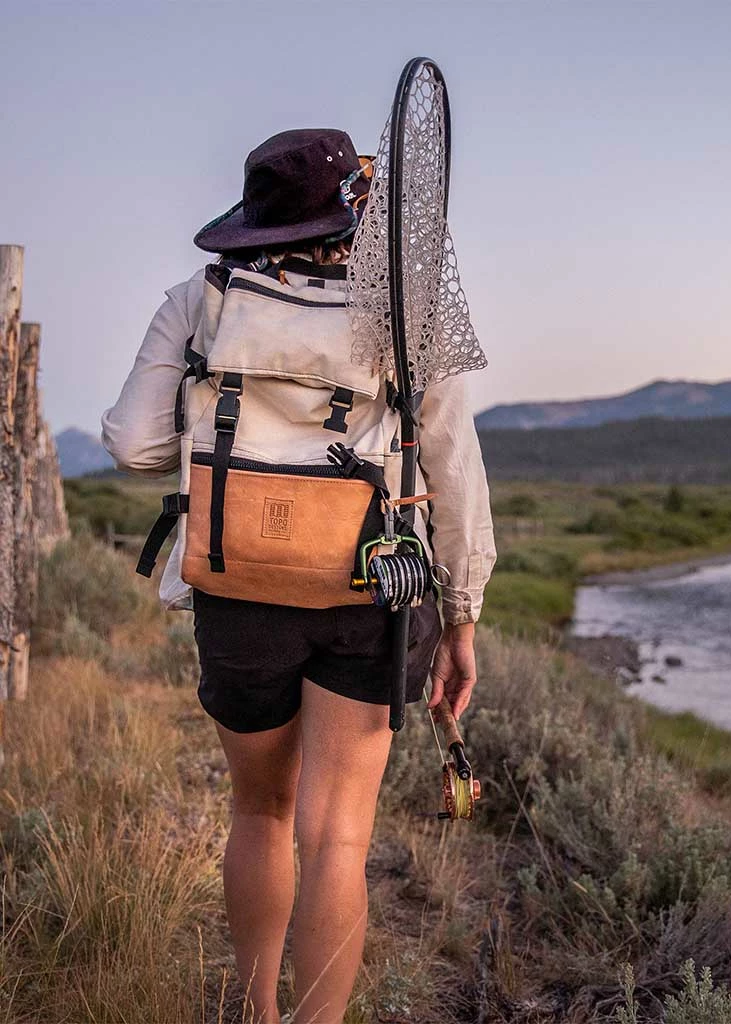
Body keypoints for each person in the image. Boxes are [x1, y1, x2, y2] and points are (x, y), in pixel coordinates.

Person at [101, 128, 496, 1024]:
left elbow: (131, 442)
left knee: (260, 814)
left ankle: (255, 1014)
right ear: (355, 213)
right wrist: (462, 617)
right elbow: (455, 472)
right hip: (373, 590)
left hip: (239, 587)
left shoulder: (201, 297)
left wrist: (212, 453)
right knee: (337, 838)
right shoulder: (405, 312)